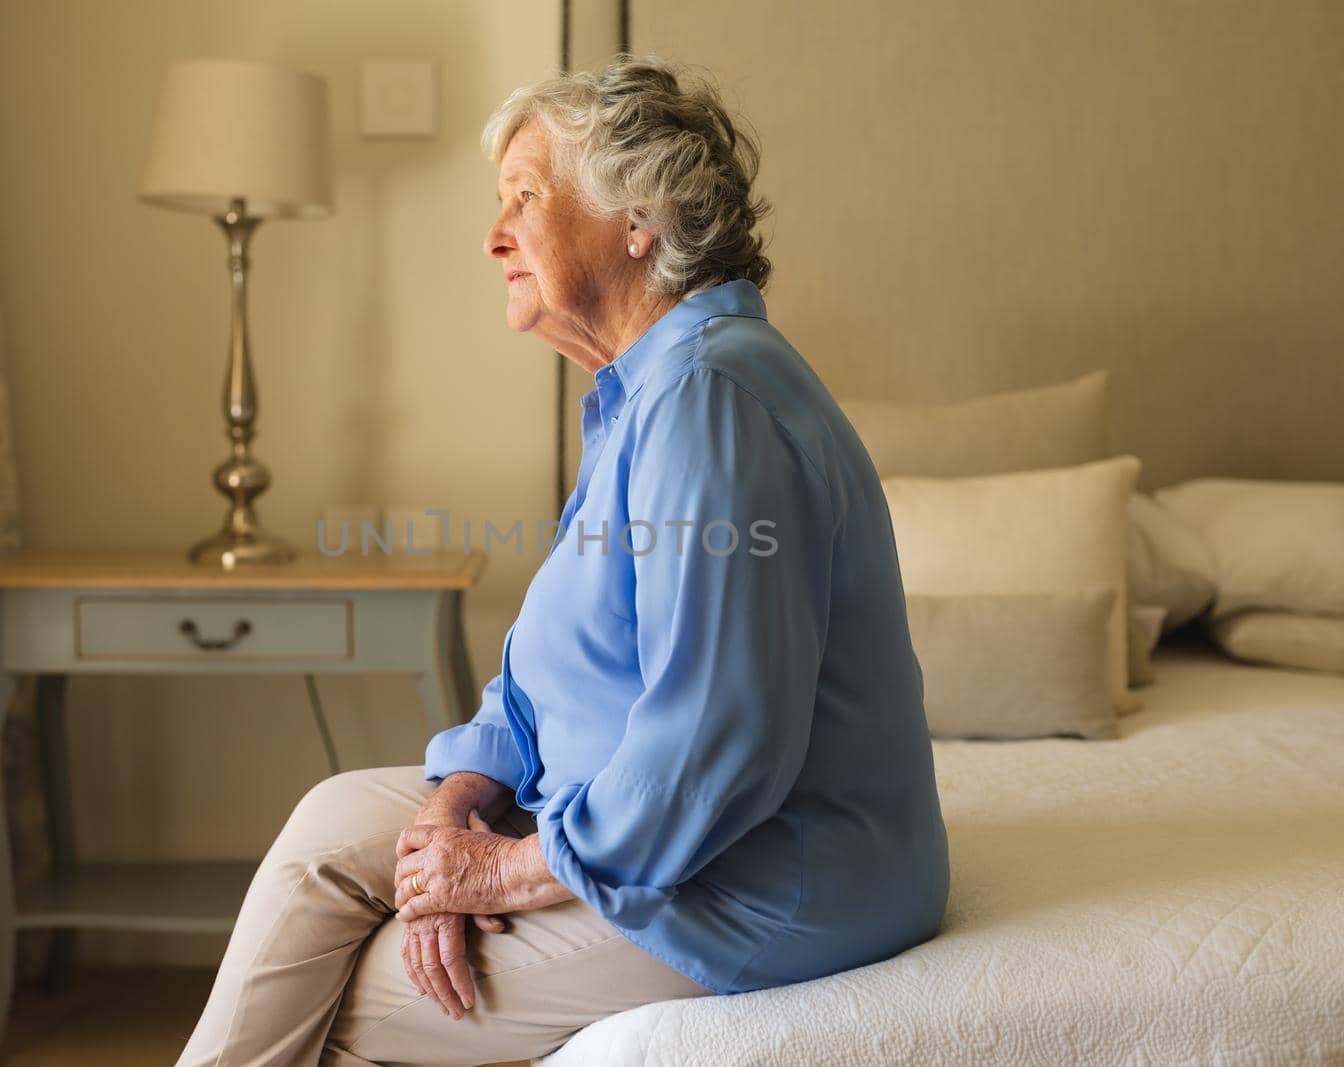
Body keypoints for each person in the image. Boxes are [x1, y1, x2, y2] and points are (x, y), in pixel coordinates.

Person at [175, 54, 949, 1067]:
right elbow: (556, 660)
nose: (492, 236)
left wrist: (498, 874)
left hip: (756, 876)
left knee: (347, 999)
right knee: (329, 830)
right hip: (617, 812)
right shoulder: (647, 393)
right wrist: (459, 800)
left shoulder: (711, 403)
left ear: (640, 219)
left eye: (523, 198)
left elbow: (718, 749)